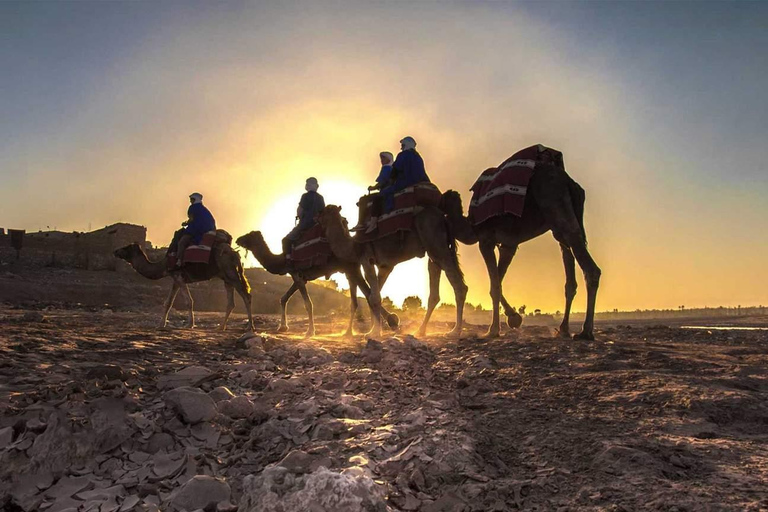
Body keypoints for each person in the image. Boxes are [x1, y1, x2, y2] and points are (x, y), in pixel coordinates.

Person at [282, 177, 326, 255]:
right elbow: (323, 212)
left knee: (286, 240)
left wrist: (299, 216)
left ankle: (288, 259)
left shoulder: (305, 196)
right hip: (318, 225)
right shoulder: (320, 198)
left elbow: (300, 210)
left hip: (305, 224)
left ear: (307, 186)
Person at [176, 192, 216, 267]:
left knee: (182, 242)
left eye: (191, 199)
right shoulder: (204, 209)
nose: (190, 201)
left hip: (198, 228)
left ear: (195, 199)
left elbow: (191, 219)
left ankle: (179, 260)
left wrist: (185, 224)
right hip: (209, 227)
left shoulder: (193, 208)